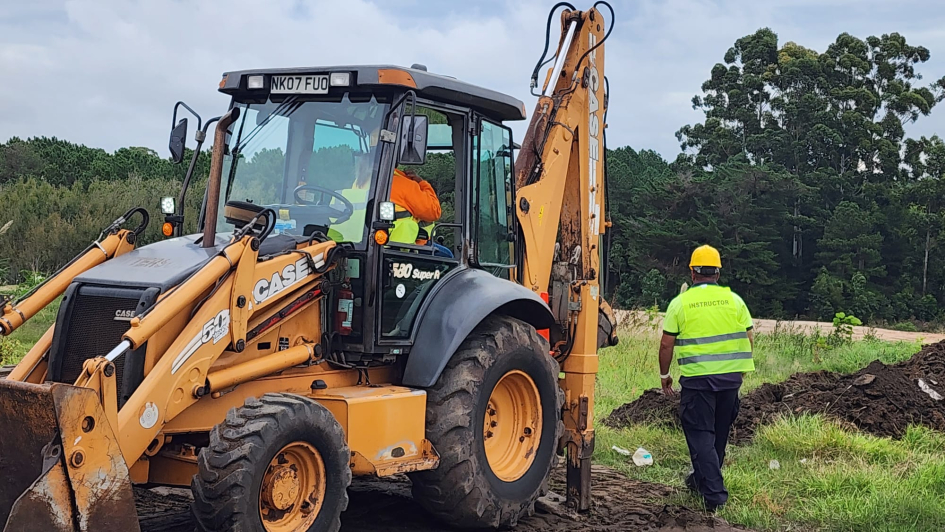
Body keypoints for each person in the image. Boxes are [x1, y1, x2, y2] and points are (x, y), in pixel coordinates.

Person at [658, 244, 755, 513]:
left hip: (699, 381)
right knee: (718, 435)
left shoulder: (681, 303)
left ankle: (714, 495)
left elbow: (667, 345)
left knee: (700, 433)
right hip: (730, 380)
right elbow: (748, 337)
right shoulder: (735, 300)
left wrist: (665, 375)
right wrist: (740, 371)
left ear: (692, 272)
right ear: (718, 273)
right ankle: (700, 480)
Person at [389, 168, 442, 244]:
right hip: (404, 246)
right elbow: (434, 211)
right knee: (447, 254)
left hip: (371, 243)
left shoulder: (367, 181)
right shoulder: (404, 184)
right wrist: (422, 183)